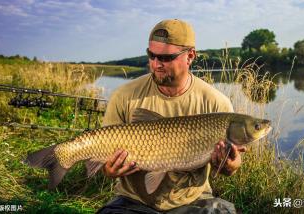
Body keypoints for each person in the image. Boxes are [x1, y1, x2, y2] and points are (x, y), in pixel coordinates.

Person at [97, 19, 246, 214]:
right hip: (133, 200)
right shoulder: (124, 96)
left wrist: (229, 165)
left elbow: (231, 169)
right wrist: (108, 170)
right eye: (151, 55)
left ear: (190, 55)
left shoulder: (217, 103)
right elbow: (104, 162)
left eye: (166, 58)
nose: (156, 64)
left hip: (192, 200)